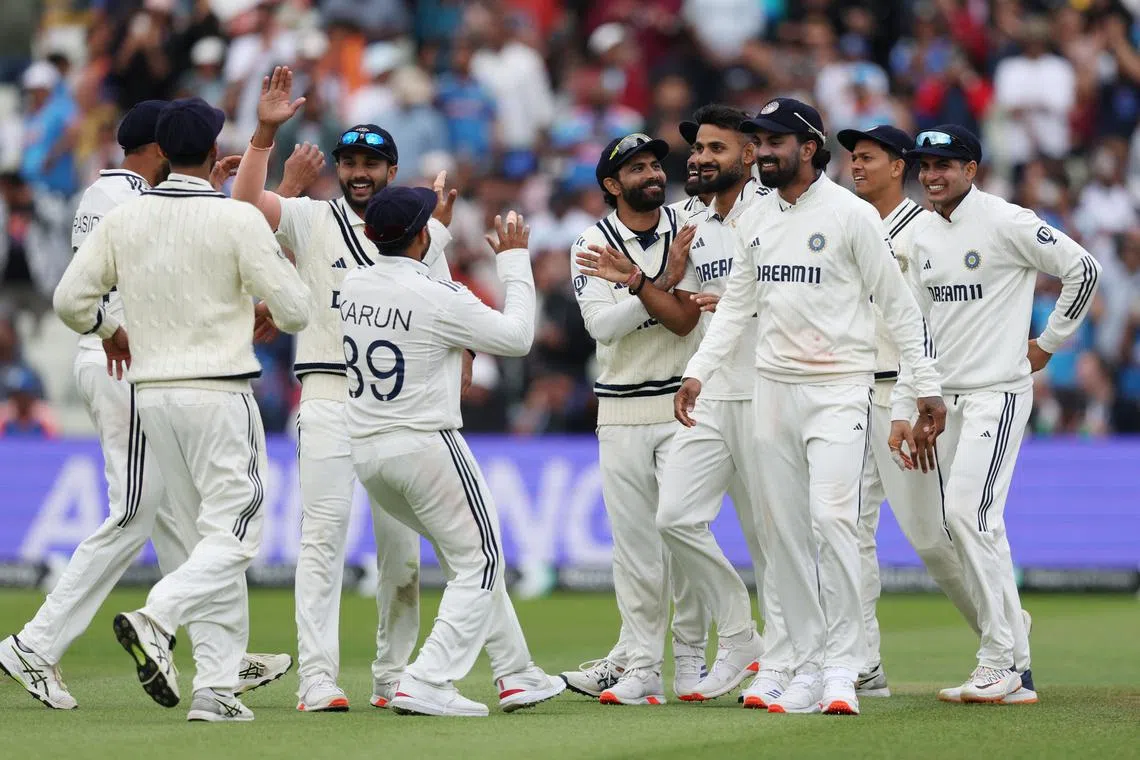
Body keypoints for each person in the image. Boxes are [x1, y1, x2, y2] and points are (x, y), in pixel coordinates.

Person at [0, 100, 298, 711]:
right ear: (165, 150)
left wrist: (208, 190)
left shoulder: (117, 200)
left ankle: (219, 668)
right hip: (146, 366)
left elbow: (97, 278)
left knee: (182, 526)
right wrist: (110, 326)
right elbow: (229, 269)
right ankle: (49, 640)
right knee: (148, 513)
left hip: (145, 372)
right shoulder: (130, 199)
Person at [677, 98, 944, 716]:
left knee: (833, 522)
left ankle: (844, 667)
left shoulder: (851, 216)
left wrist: (925, 384)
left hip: (839, 389)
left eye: (774, 143)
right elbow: (737, 305)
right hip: (773, 389)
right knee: (785, 534)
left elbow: (899, 308)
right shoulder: (756, 220)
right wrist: (698, 373)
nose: (762, 153)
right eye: (758, 143)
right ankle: (802, 662)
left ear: (808, 148)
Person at [232, 66, 460, 712]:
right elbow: (245, 207)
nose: (359, 172)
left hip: (395, 410)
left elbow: (446, 317)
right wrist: (264, 134)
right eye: (350, 161)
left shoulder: (423, 235)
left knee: (402, 559)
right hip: (329, 398)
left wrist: (458, 367)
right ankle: (318, 679)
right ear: (339, 168)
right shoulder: (311, 219)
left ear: (393, 171)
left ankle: (392, 677)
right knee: (323, 541)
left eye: (372, 163)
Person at [342, 188, 565, 717]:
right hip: (425, 443)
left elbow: (404, 258)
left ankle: (517, 674)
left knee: (466, 560)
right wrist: (512, 260)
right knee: (483, 561)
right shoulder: (438, 297)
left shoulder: (352, 282)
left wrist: (430, 226)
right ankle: (427, 678)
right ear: (423, 235)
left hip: (369, 453)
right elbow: (517, 338)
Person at [907, 125, 1100, 704]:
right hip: (947, 401)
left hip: (999, 392)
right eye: (925, 165)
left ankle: (999, 661)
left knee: (969, 514)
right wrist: (922, 395)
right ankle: (1016, 662)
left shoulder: (1007, 220)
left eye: (945, 164)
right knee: (969, 522)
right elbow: (916, 327)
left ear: (972, 169)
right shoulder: (919, 235)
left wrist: (1048, 343)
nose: (932, 175)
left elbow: (1082, 269)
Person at [836, 124, 982, 698]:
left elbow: (936, 321)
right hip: (851, 391)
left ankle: (1002, 638)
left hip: (913, 396)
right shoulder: (846, 224)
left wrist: (927, 392)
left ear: (899, 166)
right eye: (852, 158)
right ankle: (863, 660)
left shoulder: (925, 229)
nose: (855, 166)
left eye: (867, 157)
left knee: (932, 538)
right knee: (845, 529)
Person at [562, 133, 707, 706]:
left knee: (684, 534)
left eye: (653, 165)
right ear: (610, 185)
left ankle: (691, 662)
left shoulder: (689, 223)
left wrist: (641, 287)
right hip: (621, 408)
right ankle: (642, 663)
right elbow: (603, 327)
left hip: (683, 404)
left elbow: (691, 318)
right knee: (636, 548)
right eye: (636, 168)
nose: (650, 174)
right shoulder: (591, 242)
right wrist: (660, 283)